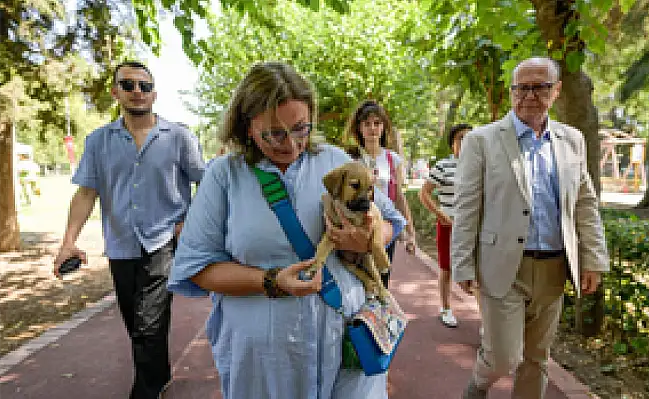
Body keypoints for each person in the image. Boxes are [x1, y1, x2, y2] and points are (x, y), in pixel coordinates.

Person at [167, 62, 406, 399]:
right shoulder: (225, 175)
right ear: (247, 126)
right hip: (266, 360)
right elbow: (198, 268)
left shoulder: (334, 161)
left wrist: (368, 239)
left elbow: (393, 220)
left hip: (349, 343)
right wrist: (270, 281)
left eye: (301, 129)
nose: (292, 145)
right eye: (275, 133)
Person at [451, 57, 609, 399]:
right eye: (521, 87)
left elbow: (584, 203)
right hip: (503, 265)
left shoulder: (572, 141)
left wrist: (593, 258)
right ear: (512, 92)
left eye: (540, 87)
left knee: (537, 358)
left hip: (554, 266)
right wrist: (462, 263)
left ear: (556, 91)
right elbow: (467, 206)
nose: (529, 95)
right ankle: (478, 385)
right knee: (504, 356)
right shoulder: (482, 140)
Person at [53, 61, 206, 399]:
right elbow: (86, 193)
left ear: (155, 93)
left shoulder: (179, 137)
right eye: (129, 84)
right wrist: (68, 242)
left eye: (144, 86)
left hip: (164, 241)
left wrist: (189, 221)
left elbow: (205, 183)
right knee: (136, 324)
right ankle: (160, 374)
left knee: (149, 322)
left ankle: (146, 391)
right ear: (115, 91)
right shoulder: (98, 141)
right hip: (120, 243)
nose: (137, 91)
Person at [345, 100, 416, 286]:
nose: (372, 128)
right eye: (367, 124)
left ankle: (380, 314)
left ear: (384, 127)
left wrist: (410, 232)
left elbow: (399, 197)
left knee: (382, 278)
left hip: (385, 227)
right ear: (359, 128)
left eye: (377, 123)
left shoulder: (393, 159)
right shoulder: (351, 158)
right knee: (358, 279)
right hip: (358, 225)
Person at [418, 123, 471, 328]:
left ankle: (486, 318)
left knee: (476, 269)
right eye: (460, 138)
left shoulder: (481, 165)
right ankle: (446, 308)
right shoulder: (443, 166)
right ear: (452, 144)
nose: (465, 141)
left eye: (469, 137)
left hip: (472, 227)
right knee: (446, 268)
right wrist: (439, 213)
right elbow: (424, 193)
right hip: (448, 225)